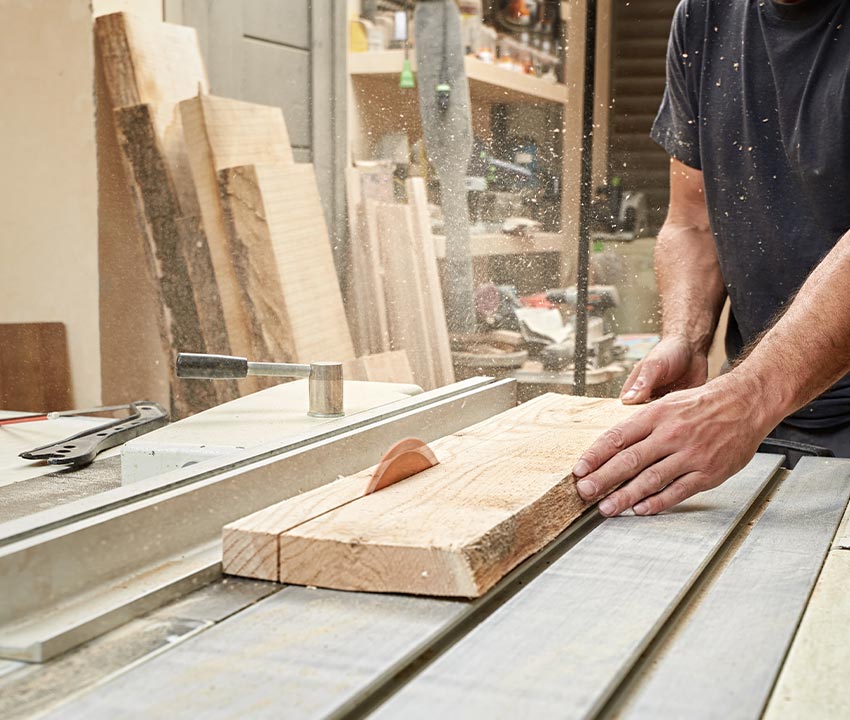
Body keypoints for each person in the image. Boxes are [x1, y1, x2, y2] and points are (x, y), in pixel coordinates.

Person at [572, 0, 850, 517]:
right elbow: (693, 222)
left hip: (761, 396)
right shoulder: (704, 16)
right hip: (764, 410)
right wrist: (685, 336)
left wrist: (748, 397)